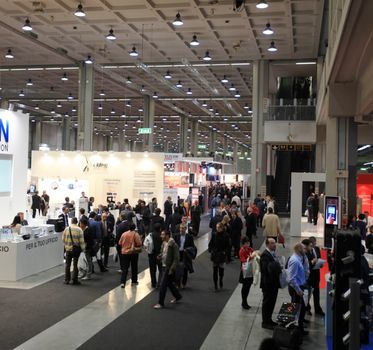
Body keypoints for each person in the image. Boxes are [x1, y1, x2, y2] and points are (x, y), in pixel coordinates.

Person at [154, 230, 182, 309]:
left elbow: (176, 258)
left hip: (168, 268)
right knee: (169, 283)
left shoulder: (173, 245)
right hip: (163, 266)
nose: (161, 236)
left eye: (162, 235)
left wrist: (171, 268)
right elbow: (163, 253)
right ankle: (178, 296)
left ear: (167, 235)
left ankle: (161, 303)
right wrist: (160, 255)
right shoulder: (164, 243)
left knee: (163, 285)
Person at [260, 238, 282, 330]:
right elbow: (266, 269)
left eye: (275, 243)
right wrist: (277, 266)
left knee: (272, 303)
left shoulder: (272, 254)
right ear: (267, 244)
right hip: (268, 284)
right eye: (272, 243)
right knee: (267, 303)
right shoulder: (265, 255)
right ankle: (265, 322)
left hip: (273, 283)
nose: (274, 245)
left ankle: (269, 320)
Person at [287, 243, 309, 335]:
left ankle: (299, 328)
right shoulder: (295, 261)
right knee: (298, 310)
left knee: (300, 309)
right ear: (299, 249)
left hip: (299, 287)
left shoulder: (298, 259)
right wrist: (298, 290)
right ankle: (297, 330)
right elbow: (291, 278)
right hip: (297, 289)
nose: (306, 250)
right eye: (304, 248)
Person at [62, 217, 85, 285]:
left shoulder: (66, 229)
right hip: (76, 250)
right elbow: (81, 241)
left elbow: (63, 239)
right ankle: (74, 280)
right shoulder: (79, 230)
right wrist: (83, 249)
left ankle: (67, 280)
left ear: (71, 222)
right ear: (77, 222)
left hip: (68, 249)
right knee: (75, 265)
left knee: (67, 265)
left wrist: (67, 245)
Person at [118, 222, 142, 288]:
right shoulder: (136, 234)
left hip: (124, 253)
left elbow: (120, 243)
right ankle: (134, 281)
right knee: (134, 267)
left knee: (125, 268)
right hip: (133, 253)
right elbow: (139, 243)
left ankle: (122, 282)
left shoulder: (124, 234)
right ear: (134, 228)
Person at [208, 222, 230, 291]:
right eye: (216, 227)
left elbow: (228, 245)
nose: (217, 229)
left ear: (222, 228)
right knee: (215, 270)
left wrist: (224, 252)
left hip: (221, 255)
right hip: (215, 254)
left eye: (218, 227)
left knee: (221, 270)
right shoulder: (214, 234)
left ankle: (221, 280)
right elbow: (210, 244)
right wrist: (211, 250)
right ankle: (215, 285)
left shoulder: (226, 235)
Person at [307, 237, 325, 316]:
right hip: (310, 275)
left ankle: (317, 308)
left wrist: (321, 264)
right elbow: (307, 264)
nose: (314, 244)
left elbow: (319, 258)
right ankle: (307, 308)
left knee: (316, 293)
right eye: (312, 243)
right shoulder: (307, 251)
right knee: (308, 293)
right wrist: (312, 262)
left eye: (314, 243)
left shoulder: (317, 249)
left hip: (316, 274)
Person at [174, 224, 195, 289]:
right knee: (177, 269)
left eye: (183, 228)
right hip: (178, 253)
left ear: (185, 229)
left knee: (185, 268)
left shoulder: (189, 237)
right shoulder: (176, 236)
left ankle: (183, 283)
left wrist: (189, 252)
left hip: (185, 253)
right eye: (180, 228)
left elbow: (192, 246)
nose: (181, 229)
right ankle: (177, 283)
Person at [239, 236, 254, 309]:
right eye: (246, 243)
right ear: (243, 244)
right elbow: (243, 260)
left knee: (248, 287)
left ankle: (245, 301)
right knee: (245, 287)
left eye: (248, 243)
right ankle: (243, 301)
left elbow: (254, 255)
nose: (248, 244)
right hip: (245, 270)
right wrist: (250, 258)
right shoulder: (242, 250)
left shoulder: (250, 249)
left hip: (250, 270)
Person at [147, 223, 163, 288]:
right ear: (160, 228)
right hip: (160, 255)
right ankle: (161, 282)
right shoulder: (161, 236)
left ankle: (153, 283)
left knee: (152, 270)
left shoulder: (151, 235)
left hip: (151, 255)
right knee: (161, 269)